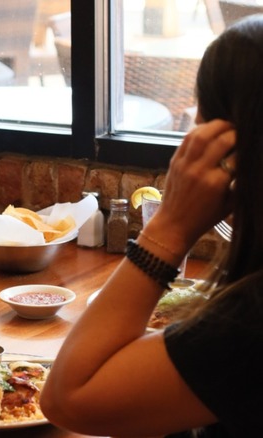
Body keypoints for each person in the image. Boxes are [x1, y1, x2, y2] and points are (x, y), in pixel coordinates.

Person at [40, 15, 263, 438]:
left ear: (230, 149)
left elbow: (69, 398)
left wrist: (169, 229)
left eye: (203, 121)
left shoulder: (251, 323)